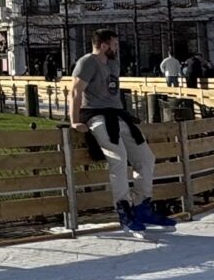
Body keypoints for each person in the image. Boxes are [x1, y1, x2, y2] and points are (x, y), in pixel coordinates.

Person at [70, 28, 172, 235]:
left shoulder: (114, 63)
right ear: (104, 45)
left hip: (117, 114)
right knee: (118, 158)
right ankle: (124, 210)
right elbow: (75, 91)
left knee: (146, 158)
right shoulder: (87, 62)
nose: (117, 48)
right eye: (114, 44)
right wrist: (74, 121)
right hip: (96, 115)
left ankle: (142, 205)